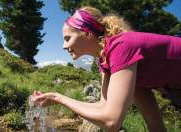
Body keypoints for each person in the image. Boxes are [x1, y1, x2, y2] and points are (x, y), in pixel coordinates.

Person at [32, 6, 181, 131]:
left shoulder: (122, 46)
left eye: (67, 38)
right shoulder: (105, 58)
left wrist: (59, 98)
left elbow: (111, 121)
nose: (64, 46)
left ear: (88, 34)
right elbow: (103, 106)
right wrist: (56, 99)